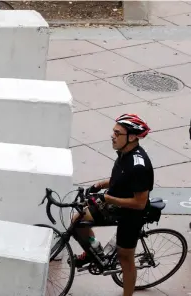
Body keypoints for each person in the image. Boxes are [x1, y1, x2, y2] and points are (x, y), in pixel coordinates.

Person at [73, 113, 153, 296]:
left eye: (117, 133)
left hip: (131, 213)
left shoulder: (139, 166)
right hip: (115, 204)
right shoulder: (124, 153)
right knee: (79, 220)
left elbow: (140, 203)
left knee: (125, 258)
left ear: (131, 137)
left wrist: (110, 199)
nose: (112, 136)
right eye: (113, 132)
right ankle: (94, 250)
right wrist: (101, 184)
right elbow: (121, 179)